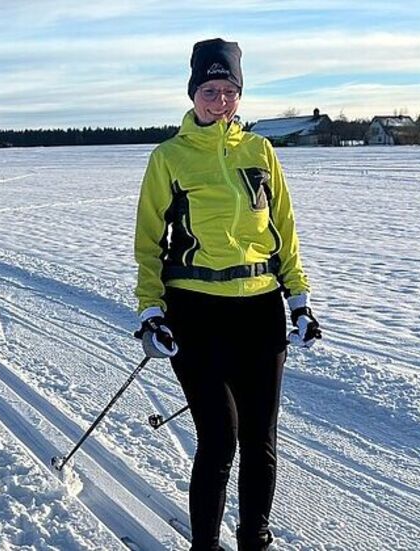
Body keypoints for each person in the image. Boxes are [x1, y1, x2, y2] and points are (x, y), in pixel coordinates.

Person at [133, 39, 322, 550]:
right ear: (193, 93)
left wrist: (299, 300)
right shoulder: (169, 157)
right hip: (196, 311)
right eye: (210, 91)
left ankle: (254, 539)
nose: (220, 102)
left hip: (260, 309)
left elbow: (284, 230)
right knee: (219, 437)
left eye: (229, 92)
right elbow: (148, 243)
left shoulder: (259, 151)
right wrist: (151, 311)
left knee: (260, 438)